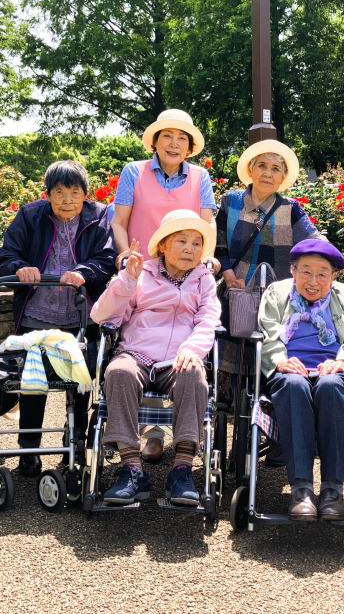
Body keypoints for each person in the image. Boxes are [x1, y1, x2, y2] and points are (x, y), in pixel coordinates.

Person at [90, 209, 220, 506]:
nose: (190, 249)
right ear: (163, 245)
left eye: (196, 243)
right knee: (118, 372)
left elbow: (208, 319)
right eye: (181, 241)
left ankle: (182, 470)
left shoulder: (204, 279)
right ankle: (131, 469)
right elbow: (102, 316)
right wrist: (126, 280)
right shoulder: (141, 272)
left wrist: (193, 349)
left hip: (180, 358)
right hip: (137, 353)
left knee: (194, 374)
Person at [110, 108, 218, 462]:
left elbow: (207, 223)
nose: (174, 144)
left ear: (189, 146)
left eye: (182, 139)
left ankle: (167, 442)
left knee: (178, 336)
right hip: (143, 268)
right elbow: (120, 220)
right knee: (144, 338)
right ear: (155, 142)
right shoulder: (134, 171)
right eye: (167, 137)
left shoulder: (200, 176)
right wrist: (126, 257)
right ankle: (151, 436)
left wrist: (206, 259)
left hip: (185, 267)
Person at [0, 160, 117, 475]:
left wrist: (84, 272)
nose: (67, 200)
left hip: (81, 315)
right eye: (59, 192)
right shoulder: (30, 215)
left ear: (86, 194)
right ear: (47, 194)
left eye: (74, 192)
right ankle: (29, 451)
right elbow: (7, 255)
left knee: (79, 383)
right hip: (36, 314)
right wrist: (19, 268)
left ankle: (73, 445)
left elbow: (106, 258)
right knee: (32, 384)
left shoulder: (99, 215)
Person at [257, 238, 344, 522]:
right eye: (306, 272)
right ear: (293, 271)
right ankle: (302, 490)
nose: (313, 281)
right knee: (293, 384)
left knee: (331, 385)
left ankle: (333, 490)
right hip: (290, 372)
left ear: (334, 276)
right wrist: (280, 361)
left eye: (322, 274)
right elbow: (267, 334)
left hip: (337, 373)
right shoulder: (276, 293)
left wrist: (343, 361)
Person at [216, 139, 322, 289]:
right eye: (262, 165)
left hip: (277, 295)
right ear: (251, 170)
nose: (267, 174)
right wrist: (229, 275)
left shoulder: (290, 208)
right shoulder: (231, 201)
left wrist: (340, 261)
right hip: (236, 291)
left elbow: (314, 240)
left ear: (282, 177)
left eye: (275, 169)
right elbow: (218, 243)